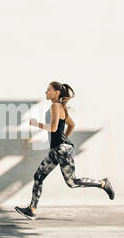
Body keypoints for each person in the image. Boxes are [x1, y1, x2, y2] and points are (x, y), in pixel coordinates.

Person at [15, 81, 115, 220]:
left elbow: (54, 128)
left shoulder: (56, 106)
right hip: (57, 150)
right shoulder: (60, 107)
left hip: (62, 150)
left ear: (56, 92)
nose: (46, 92)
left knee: (72, 183)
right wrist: (63, 139)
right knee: (38, 176)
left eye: (48, 90)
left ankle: (104, 183)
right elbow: (71, 125)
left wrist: (36, 124)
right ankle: (32, 209)